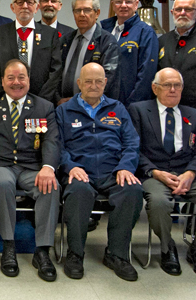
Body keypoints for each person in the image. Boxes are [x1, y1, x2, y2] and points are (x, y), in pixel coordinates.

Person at [0, 59, 60, 281]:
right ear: (3, 81)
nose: (16, 82)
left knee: (50, 187)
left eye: (21, 77)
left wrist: (48, 167)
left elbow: (52, 141)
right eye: (11, 78)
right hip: (0, 164)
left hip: (31, 167)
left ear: (28, 79)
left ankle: (42, 250)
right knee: (3, 183)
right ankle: (9, 245)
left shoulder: (44, 106)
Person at [127, 68, 196, 278]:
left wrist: (191, 173)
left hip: (188, 174)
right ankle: (167, 248)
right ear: (155, 88)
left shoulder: (195, 115)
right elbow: (133, 148)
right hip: (153, 173)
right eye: (167, 85)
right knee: (159, 202)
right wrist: (155, 172)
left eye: (177, 85)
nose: (173, 89)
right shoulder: (137, 110)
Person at [56, 62, 142, 281]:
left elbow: (132, 143)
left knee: (132, 190)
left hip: (113, 171)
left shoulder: (118, 108)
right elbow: (57, 146)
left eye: (98, 81)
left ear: (105, 82)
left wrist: (125, 167)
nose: (93, 85)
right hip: (78, 171)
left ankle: (117, 254)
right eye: (88, 81)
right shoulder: (64, 110)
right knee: (78, 192)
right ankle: (75, 253)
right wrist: (71, 166)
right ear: (79, 84)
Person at [0, 0, 62, 103]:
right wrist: (5, 96)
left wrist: (42, 100)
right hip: (7, 101)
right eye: (20, 2)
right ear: (12, 7)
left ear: (37, 7)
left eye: (30, 2)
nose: (25, 6)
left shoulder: (50, 34)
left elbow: (55, 70)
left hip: (41, 101)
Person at [99, 0, 158, 106]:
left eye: (128, 2)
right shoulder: (103, 30)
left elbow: (146, 73)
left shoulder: (145, 32)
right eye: (119, 2)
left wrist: (133, 103)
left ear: (136, 4)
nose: (123, 5)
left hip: (131, 102)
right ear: (113, 5)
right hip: (103, 100)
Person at [58, 0, 120, 105]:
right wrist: (57, 99)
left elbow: (108, 77)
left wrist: (81, 100)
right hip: (63, 106)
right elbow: (55, 72)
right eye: (77, 10)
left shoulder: (106, 41)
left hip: (92, 106)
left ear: (97, 13)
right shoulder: (66, 40)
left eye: (87, 10)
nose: (82, 14)